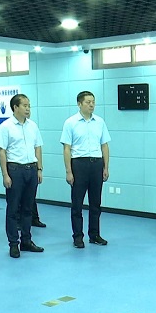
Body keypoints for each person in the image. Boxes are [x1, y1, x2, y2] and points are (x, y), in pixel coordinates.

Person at [60, 91, 111, 249]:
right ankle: (78, 236)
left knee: (96, 203)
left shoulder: (100, 122)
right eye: (88, 102)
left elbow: (104, 145)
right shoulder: (70, 123)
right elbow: (67, 148)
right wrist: (68, 171)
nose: (91, 105)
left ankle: (94, 234)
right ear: (79, 104)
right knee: (77, 203)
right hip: (79, 164)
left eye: (93, 102)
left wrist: (106, 167)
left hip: (96, 164)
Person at [0, 94, 45, 257]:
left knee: (27, 208)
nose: (28, 108)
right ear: (15, 107)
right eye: (24, 105)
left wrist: (39, 169)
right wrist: (5, 174)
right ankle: (13, 244)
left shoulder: (33, 126)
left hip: (31, 169)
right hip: (15, 170)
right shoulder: (6, 127)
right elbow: (2, 151)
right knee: (13, 209)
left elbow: (38, 147)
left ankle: (26, 241)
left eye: (29, 105)